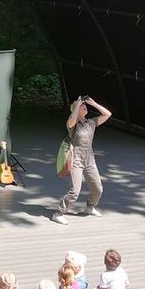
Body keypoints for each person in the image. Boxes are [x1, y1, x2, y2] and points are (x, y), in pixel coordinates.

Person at [52, 95, 112, 225]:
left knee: (98, 189)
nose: (85, 107)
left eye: (85, 106)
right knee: (75, 191)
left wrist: (94, 103)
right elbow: (72, 120)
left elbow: (108, 114)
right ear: (76, 109)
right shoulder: (72, 124)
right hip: (76, 160)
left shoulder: (91, 123)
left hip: (89, 160)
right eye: (82, 107)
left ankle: (89, 207)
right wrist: (78, 103)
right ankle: (58, 213)